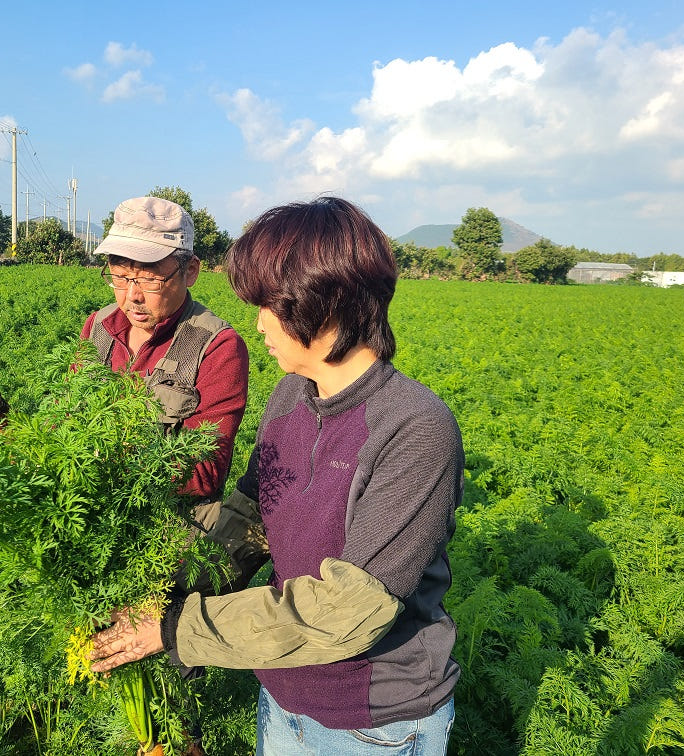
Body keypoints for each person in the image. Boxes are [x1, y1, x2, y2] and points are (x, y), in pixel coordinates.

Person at [89, 196, 464, 755]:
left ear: (326, 303)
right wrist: (161, 602)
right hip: (281, 692)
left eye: (270, 304)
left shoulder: (414, 429)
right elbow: (249, 517)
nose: (257, 322)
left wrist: (176, 630)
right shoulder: (294, 394)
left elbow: (347, 612)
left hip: (373, 722)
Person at [81, 195, 249, 506]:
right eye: (120, 276)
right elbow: (67, 412)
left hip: (168, 531)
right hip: (93, 510)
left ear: (191, 271)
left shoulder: (217, 346)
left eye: (150, 279)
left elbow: (203, 470)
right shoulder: (98, 326)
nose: (133, 295)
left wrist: (102, 458)